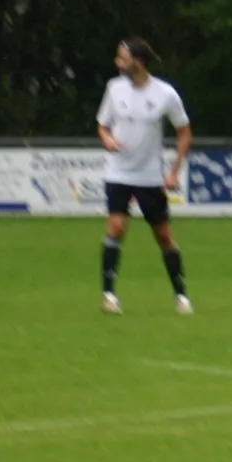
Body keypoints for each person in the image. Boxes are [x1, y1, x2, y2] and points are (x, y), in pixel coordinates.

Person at [96, 38, 193, 316]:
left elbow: (184, 132)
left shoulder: (165, 94)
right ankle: (109, 295)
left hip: (150, 177)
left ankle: (181, 296)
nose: (117, 62)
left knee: (163, 236)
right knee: (115, 227)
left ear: (137, 62)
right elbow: (102, 126)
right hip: (118, 173)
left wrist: (174, 172)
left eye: (122, 58)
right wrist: (108, 140)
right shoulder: (114, 89)